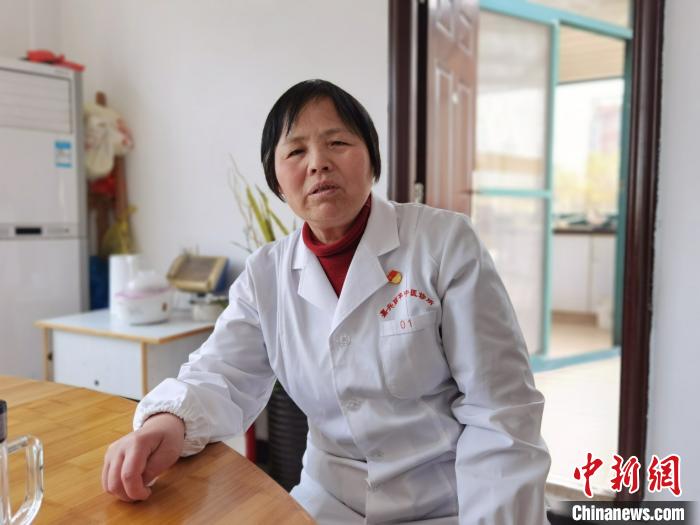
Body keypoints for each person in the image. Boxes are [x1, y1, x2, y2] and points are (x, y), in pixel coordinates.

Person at [102, 79, 551, 524]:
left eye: (337, 142)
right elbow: (221, 374)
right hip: (328, 504)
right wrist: (168, 422)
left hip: (448, 504)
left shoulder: (444, 244)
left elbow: (500, 411)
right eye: (296, 151)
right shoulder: (265, 275)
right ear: (277, 181)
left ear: (372, 161)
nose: (318, 163)